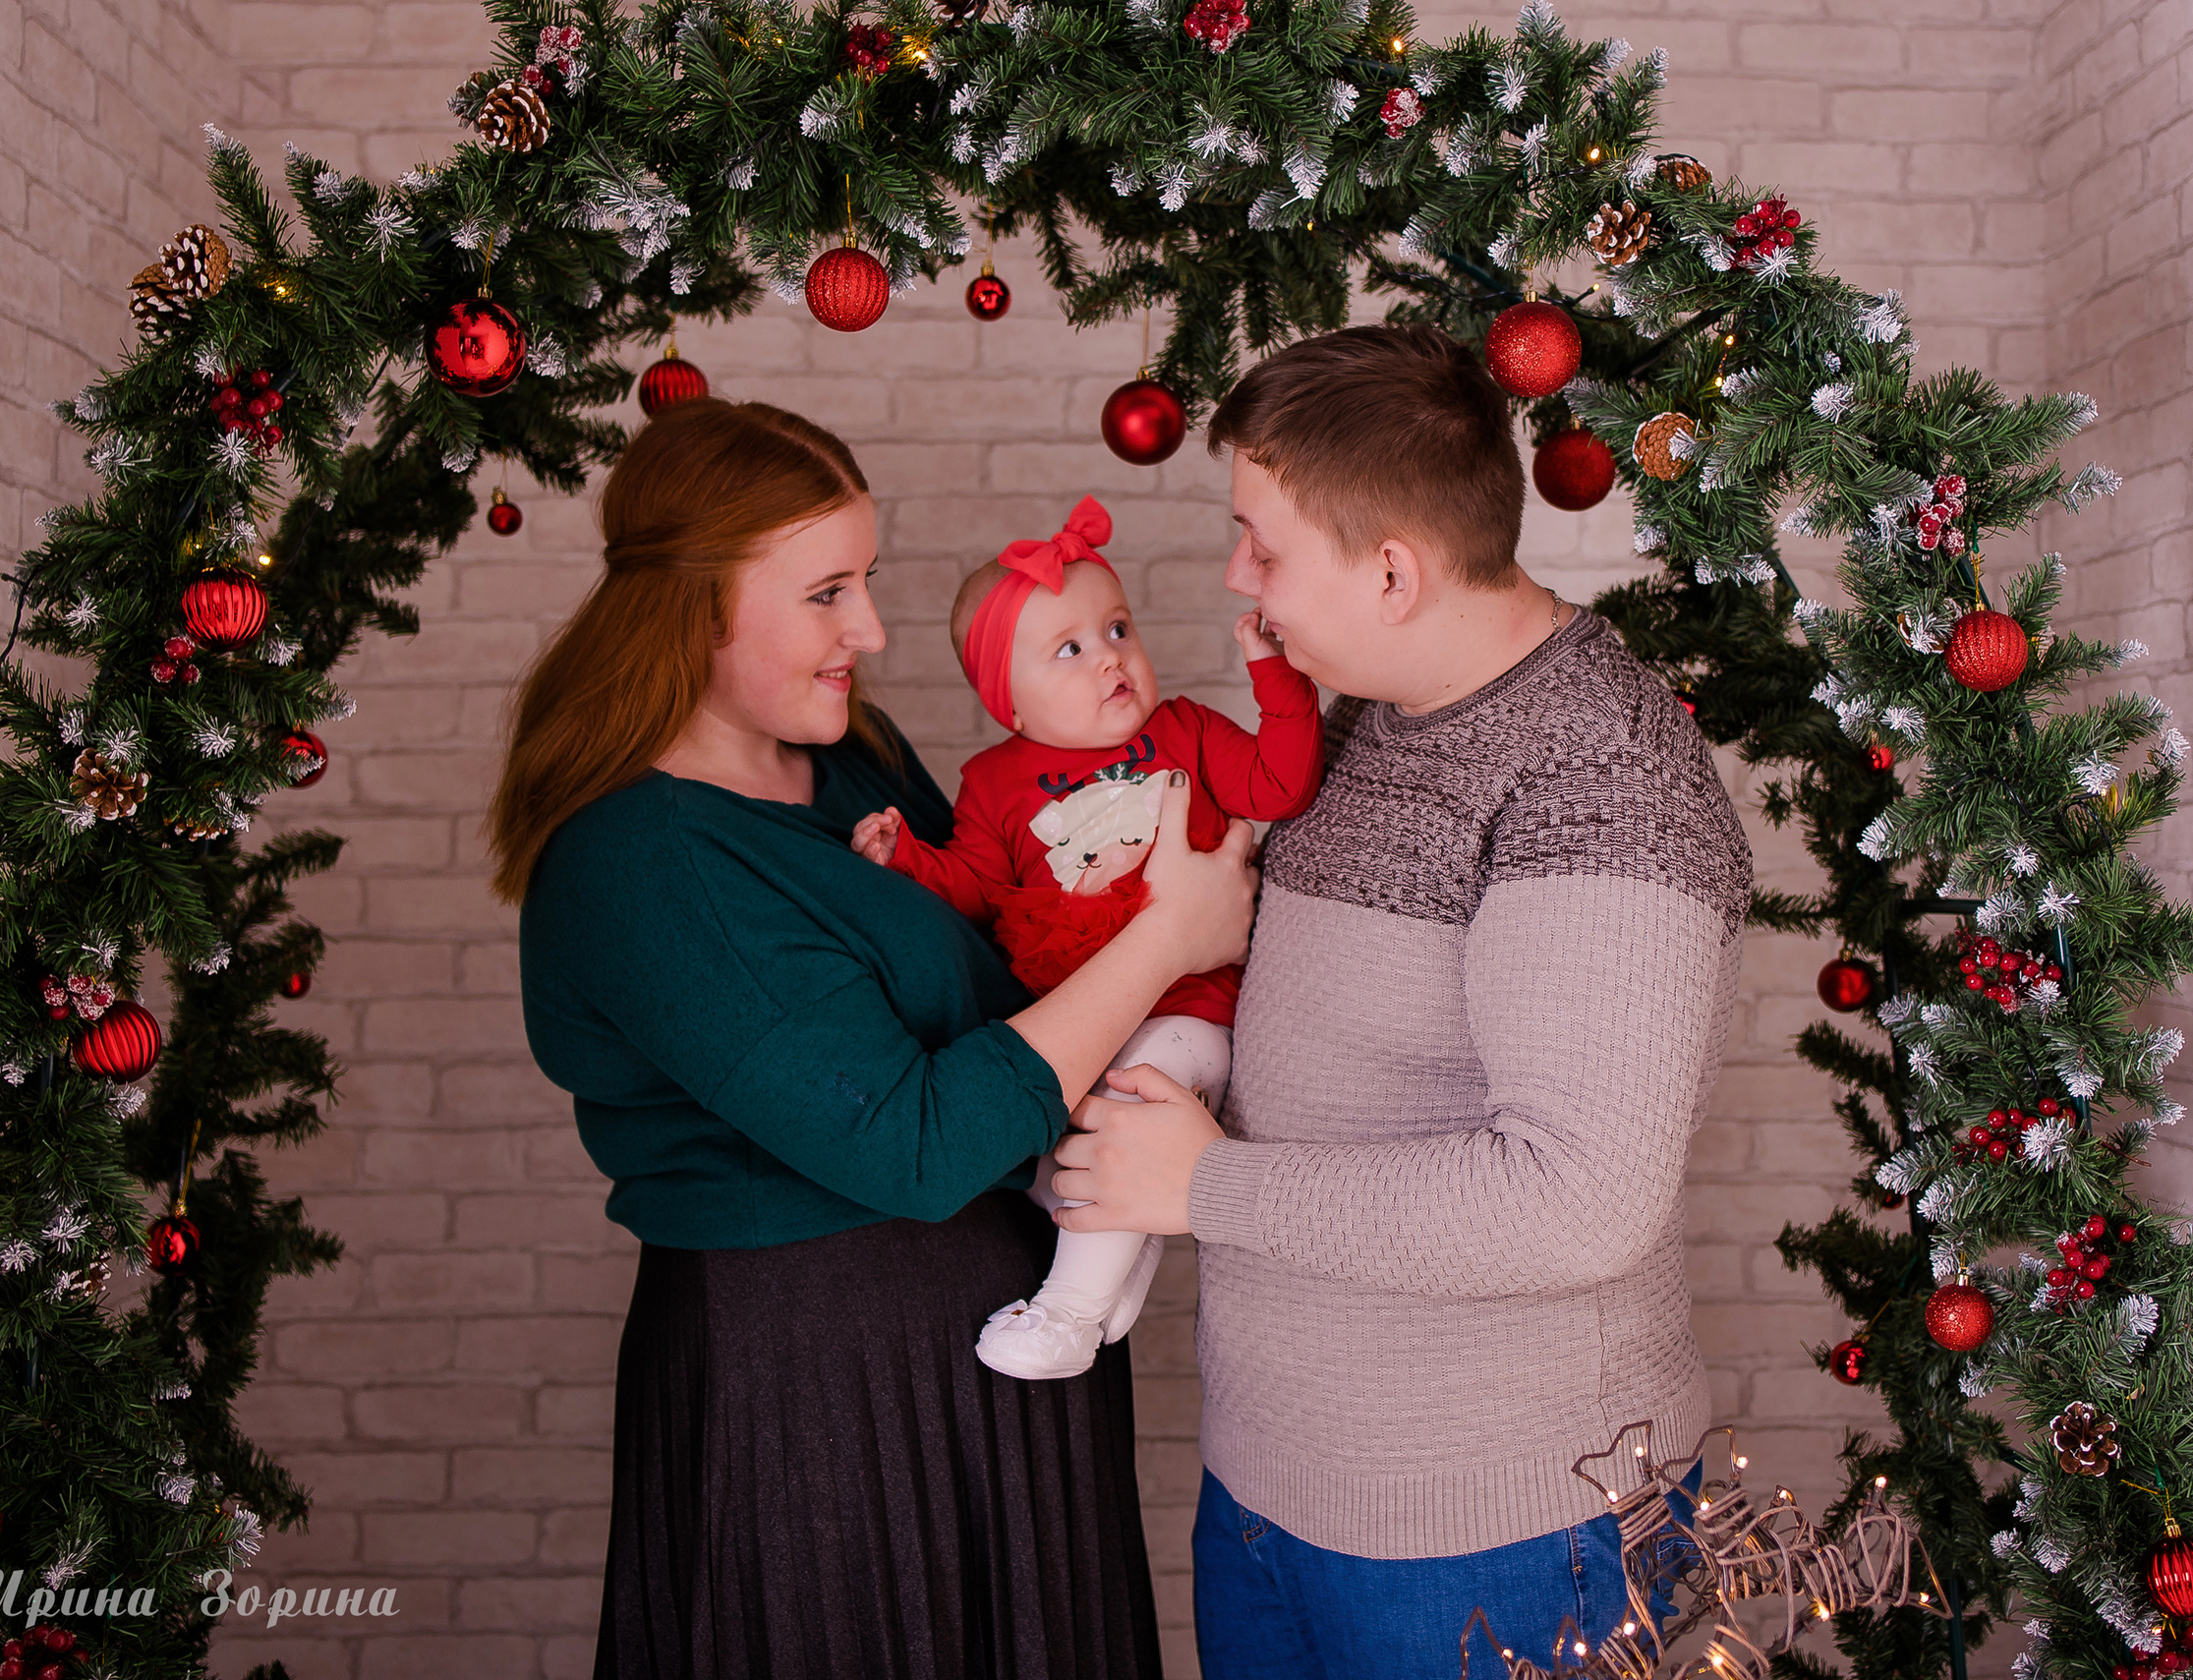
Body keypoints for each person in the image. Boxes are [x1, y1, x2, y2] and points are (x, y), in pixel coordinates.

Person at [489, 398, 1258, 1680]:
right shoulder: (641, 861)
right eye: (827, 592)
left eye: (872, 580)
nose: (873, 631)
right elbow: (914, 1143)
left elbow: (1012, 961)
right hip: (820, 1397)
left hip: (998, 1370)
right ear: (696, 604)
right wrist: (1170, 940)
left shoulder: (850, 763)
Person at [1042, 325, 1754, 1675]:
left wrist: (1201, 1187)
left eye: (1263, 543)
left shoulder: (1599, 779)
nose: (1239, 579)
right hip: (1273, 1497)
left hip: (1506, 1536)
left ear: (1391, 570)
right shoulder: (1375, 712)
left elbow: (1577, 1195)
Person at [851, 493, 1323, 1379]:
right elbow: (979, 892)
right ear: (1010, 701)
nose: (1110, 658)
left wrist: (1278, 676)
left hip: (1189, 1014)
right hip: (1083, 1021)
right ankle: (1115, 1275)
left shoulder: (1181, 730)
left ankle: (1068, 1310)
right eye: (1069, 649)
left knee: (1127, 1112)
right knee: (1062, 1148)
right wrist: (904, 860)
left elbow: (1281, 782)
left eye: (1116, 629)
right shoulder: (993, 782)